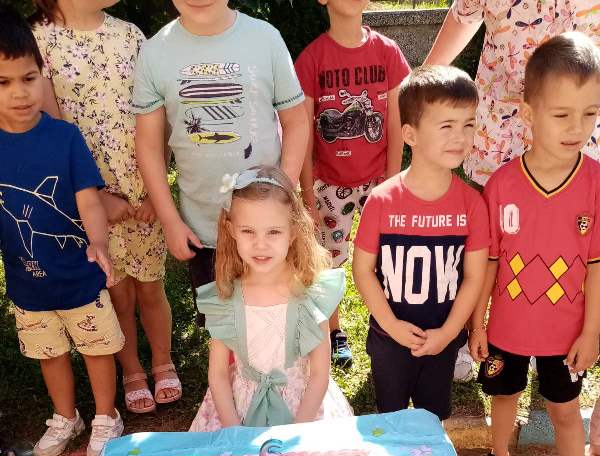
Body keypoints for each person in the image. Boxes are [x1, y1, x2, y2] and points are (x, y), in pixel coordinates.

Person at [467, 33, 600, 456]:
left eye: (590, 114)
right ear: (529, 113)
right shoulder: (501, 185)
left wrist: (591, 333)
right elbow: (488, 264)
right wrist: (478, 324)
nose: (577, 128)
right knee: (503, 395)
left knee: (565, 411)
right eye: (562, 114)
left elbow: (596, 267)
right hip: (506, 331)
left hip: (566, 336)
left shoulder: (594, 184)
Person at [31, 0, 179, 415]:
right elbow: (53, 131)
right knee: (117, 290)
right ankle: (132, 370)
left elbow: (159, 114)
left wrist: (155, 191)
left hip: (142, 188)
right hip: (89, 197)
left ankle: (163, 360)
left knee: (151, 285)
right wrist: (95, 196)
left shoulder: (130, 36)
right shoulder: (40, 41)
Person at [133, 0, 308, 322]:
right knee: (222, 327)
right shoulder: (154, 52)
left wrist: (283, 194)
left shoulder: (265, 38)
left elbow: (296, 121)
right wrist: (170, 220)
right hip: (203, 230)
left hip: (269, 228)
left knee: (277, 322)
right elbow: (147, 144)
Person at [0, 6, 124, 456]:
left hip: (79, 272)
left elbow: (89, 199)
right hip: (27, 283)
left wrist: (99, 242)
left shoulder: (65, 137)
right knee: (48, 353)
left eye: (29, 78)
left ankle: (107, 416)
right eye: (3, 83)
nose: (19, 93)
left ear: (42, 75)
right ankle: (65, 416)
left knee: (97, 347)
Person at [352, 65, 489, 422]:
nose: (460, 137)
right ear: (410, 134)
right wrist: (391, 325)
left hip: (442, 339)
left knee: (433, 421)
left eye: (468, 124)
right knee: (391, 420)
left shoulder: (472, 204)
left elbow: (474, 277)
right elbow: (362, 270)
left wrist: (449, 332)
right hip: (389, 338)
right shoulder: (381, 200)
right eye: (446, 126)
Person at [189, 166, 353, 432]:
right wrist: (234, 431)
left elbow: (320, 374)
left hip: (304, 412)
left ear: (294, 230)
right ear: (231, 230)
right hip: (238, 411)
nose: (260, 244)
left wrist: (297, 433)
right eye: (248, 231)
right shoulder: (226, 299)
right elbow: (218, 374)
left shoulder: (311, 294)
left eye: (273, 232)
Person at [295, 0, 410, 369]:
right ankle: (334, 332)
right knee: (328, 262)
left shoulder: (388, 52)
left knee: (390, 255)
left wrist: (392, 183)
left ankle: (390, 325)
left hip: (378, 180)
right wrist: (307, 194)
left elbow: (395, 123)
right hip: (329, 185)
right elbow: (303, 134)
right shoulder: (311, 60)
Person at [425, 0, 600, 187]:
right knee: (496, 201)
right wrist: (424, 80)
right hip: (504, 134)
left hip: (585, 138)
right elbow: (465, 12)